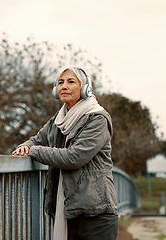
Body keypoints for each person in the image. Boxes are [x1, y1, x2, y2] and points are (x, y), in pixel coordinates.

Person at [12, 66, 118, 240]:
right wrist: (25, 146)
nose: (64, 86)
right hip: (69, 209)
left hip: (96, 212)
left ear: (85, 88)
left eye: (71, 82)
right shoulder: (59, 119)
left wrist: (34, 151)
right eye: (60, 82)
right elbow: (37, 139)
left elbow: (74, 157)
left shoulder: (97, 119)